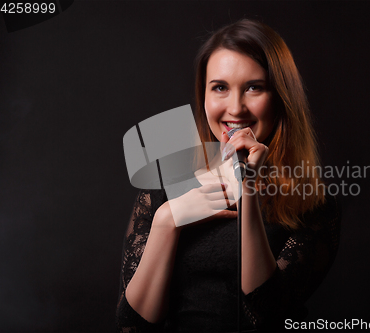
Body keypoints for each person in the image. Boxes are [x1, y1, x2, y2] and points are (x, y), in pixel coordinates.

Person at [116, 19, 341, 332]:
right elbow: (133, 325)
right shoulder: (163, 185)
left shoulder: (312, 202)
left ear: (280, 97)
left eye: (254, 88)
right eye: (220, 88)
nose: (235, 108)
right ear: (203, 95)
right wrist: (167, 219)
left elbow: (262, 313)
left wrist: (248, 185)